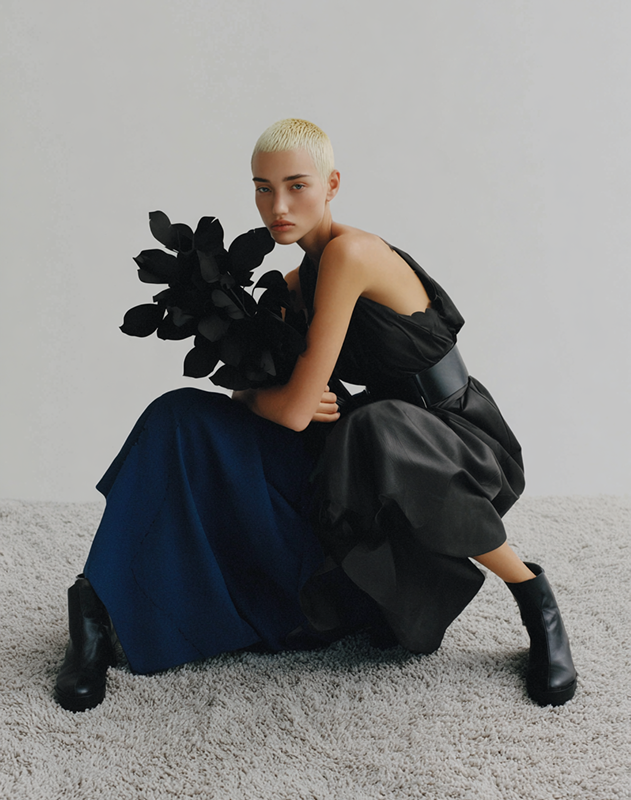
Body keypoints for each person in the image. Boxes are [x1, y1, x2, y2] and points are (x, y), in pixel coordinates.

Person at [54, 119, 577, 712]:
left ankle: (536, 598)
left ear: (331, 184)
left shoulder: (351, 254)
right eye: (262, 188)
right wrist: (256, 388)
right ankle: (95, 607)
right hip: (370, 433)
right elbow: (291, 401)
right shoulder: (292, 284)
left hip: (453, 438)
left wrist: (255, 400)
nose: (277, 206)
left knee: (374, 427)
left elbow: (296, 410)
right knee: (176, 417)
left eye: (296, 186)